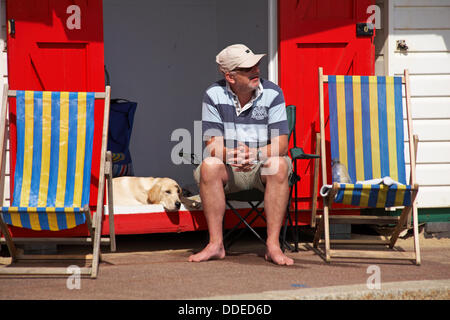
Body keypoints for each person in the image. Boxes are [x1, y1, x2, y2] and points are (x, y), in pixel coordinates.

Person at [189, 44, 294, 266]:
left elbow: (281, 145)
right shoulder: (214, 95)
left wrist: (255, 154)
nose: (256, 70)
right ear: (231, 76)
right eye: (248, 68)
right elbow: (213, 145)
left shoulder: (273, 93)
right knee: (209, 165)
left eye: (256, 65)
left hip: (261, 167)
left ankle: (273, 245)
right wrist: (232, 155)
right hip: (230, 167)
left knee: (279, 164)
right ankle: (215, 245)